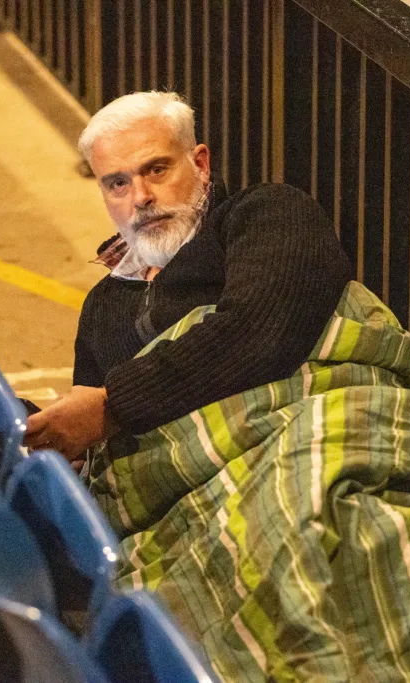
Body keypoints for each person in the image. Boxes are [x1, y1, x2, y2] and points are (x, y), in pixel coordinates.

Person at [24, 91, 351, 456]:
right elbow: (87, 427)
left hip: (307, 442)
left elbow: (257, 334)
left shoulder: (268, 215)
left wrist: (113, 406)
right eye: (117, 183)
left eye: (157, 169)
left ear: (200, 163)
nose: (141, 197)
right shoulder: (103, 305)